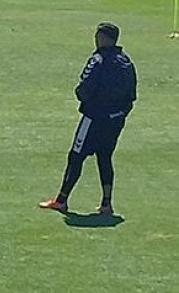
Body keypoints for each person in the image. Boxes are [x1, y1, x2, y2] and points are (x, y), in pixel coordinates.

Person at [40, 23, 137, 215]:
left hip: (94, 118)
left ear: (102, 38)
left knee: (76, 156)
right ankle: (107, 203)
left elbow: (84, 88)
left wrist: (85, 99)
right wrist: (120, 113)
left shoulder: (98, 60)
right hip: (116, 120)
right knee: (105, 157)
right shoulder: (126, 62)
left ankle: (61, 200)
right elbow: (132, 95)